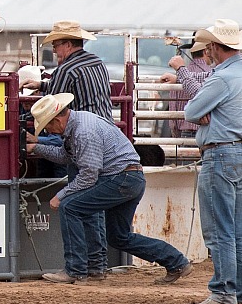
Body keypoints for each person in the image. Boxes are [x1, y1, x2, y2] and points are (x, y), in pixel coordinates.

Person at [26, 93, 193, 284]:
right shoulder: (81, 124)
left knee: (69, 207)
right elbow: (67, 156)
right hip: (130, 178)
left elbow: (89, 174)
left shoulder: (83, 132)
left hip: (120, 178)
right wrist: (36, 148)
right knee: (119, 236)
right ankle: (176, 261)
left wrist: (61, 195)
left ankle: (75, 270)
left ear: (56, 120)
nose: (49, 131)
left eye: (48, 126)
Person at [21, 20, 113, 279]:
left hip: (83, 137)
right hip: (106, 135)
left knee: (77, 203)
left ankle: (81, 266)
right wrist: (42, 85)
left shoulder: (65, 70)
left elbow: (53, 106)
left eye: (57, 45)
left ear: (69, 44)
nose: (55, 51)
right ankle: (98, 264)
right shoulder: (97, 63)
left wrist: (35, 101)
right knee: (94, 204)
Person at [182, 19, 242, 304]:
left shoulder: (221, 79)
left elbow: (192, 110)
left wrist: (206, 110)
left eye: (209, 47)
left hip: (220, 154)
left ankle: (223, 291)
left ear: (217, 47)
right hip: (239, 153)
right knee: (237, 228)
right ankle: (236, 289)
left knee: (220, 229)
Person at [167, 41, 212, 138]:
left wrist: (175, 131)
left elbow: (173, 106)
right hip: (208, 130)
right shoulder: (212, 74)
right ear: (205, 51)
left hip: (185, 131)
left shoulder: (179, 76)